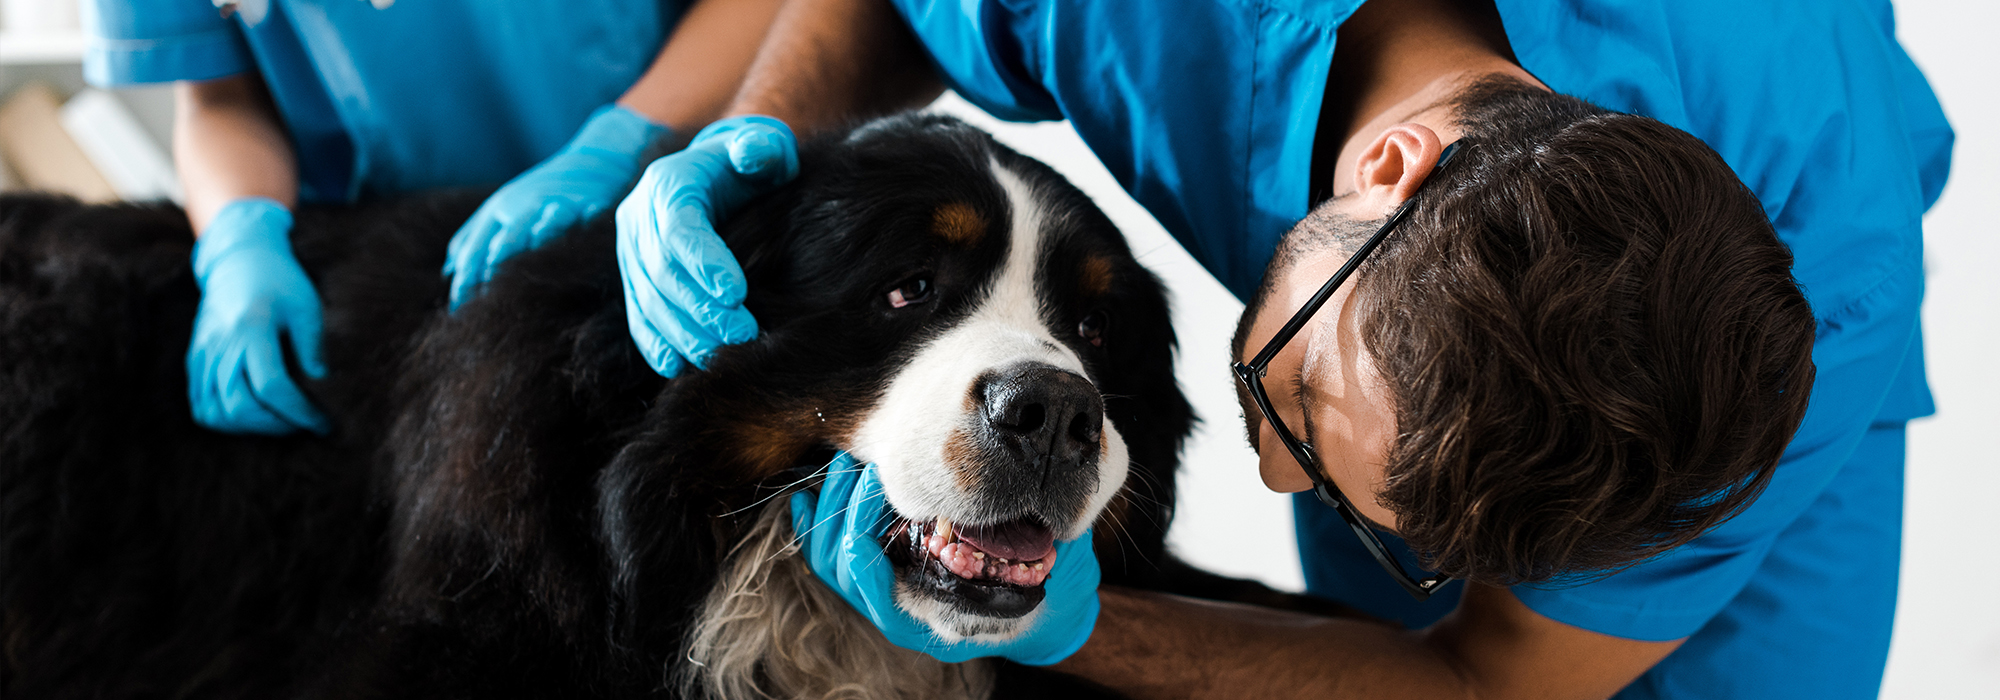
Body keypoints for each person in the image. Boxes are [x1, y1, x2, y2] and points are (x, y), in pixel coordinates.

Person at [615, 0, 1953, 698]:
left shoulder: (1807, 321)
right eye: (1301, 402)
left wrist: (1059, 633)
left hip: (1808, 245)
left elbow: (1492, 684)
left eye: (1307, 418)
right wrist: (720, 138)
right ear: (1391, 164)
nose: (1271, 478)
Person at [80, 0, 782, 435]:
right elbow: (216, 100)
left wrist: (623, 139)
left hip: (666, 219)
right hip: (392, 277)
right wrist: (239, 239)